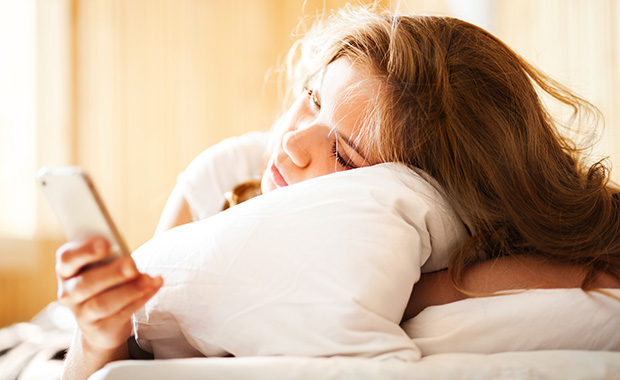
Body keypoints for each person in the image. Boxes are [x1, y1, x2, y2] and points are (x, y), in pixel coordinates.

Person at [55, 5, 620, 379]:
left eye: (345, 155)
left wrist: (428, 290)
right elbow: (137, 359)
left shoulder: (425, 232)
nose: (293, 142)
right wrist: (97, 329)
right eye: (313, 98)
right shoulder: (227, 174)